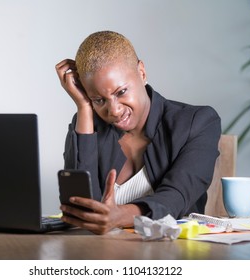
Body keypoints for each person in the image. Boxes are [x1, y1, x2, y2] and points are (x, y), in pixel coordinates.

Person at [55, 30, 221, 235]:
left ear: (142, 73)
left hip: (173, 255)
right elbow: (80, 208)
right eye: (99, 100)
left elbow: (176, 197)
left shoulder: (197, 122)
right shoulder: (89, 124)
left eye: (121, 92)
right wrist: (83, 107)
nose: (113, 110)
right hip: (102, 257)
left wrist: (119, 216)